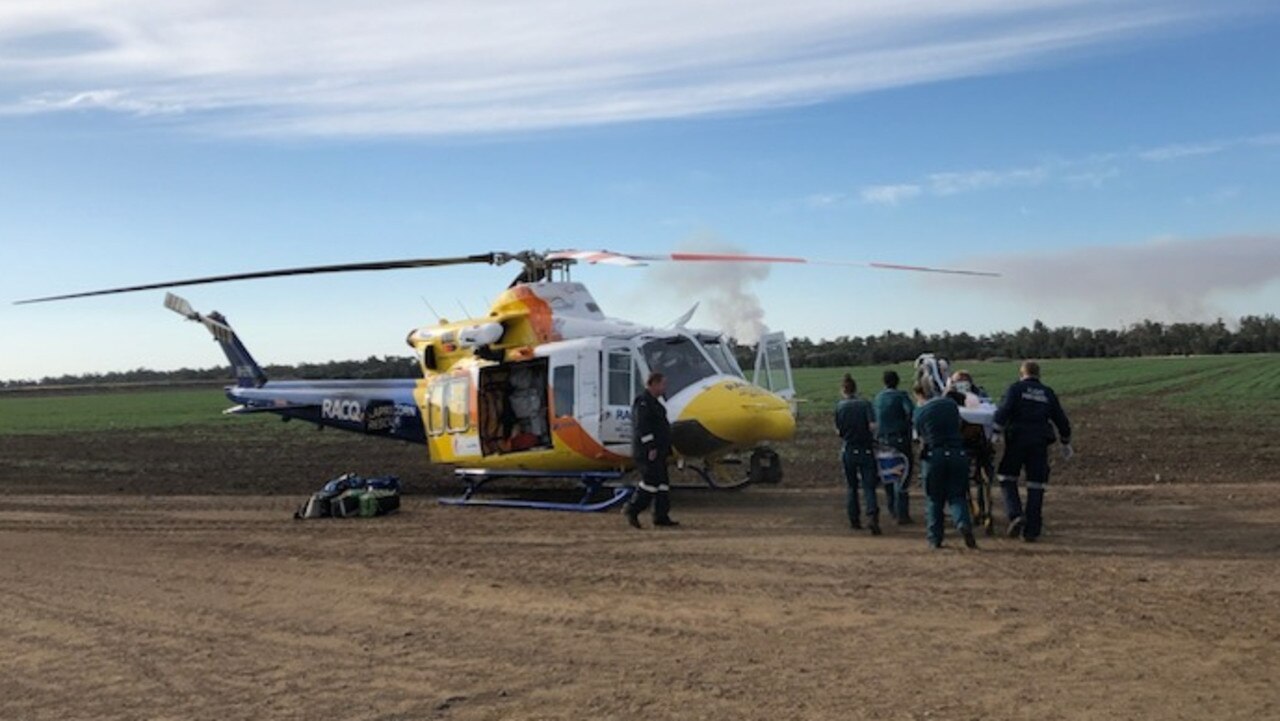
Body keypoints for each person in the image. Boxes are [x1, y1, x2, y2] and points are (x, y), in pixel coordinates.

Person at [993, 361, 1072, 542]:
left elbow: (1004, 410)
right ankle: (1032, 530)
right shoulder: (1048, 392)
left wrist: (996, 431)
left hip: (1017, 440)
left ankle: (1015, 514)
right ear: (1038, 375)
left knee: (1006, 476)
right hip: (1039, 442)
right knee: (1036, 484)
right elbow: (1060, 418)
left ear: (1022, 374)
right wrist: (1065, 441)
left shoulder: (1015, 389)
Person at [912, 383, 978, 550]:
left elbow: (919, 436)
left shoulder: (919, 412)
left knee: (934, 498)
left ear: (920, 395)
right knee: (957, 495)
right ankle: (963, 522)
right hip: (957, 453)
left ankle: (935, 538)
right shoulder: (950, 405)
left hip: (935, 456)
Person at [624, 372, 678, 529]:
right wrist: (651, 447)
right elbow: (642, 427)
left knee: (662, 484)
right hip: (648, 452)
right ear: (653, 384)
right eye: (663, 384)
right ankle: (632, 509)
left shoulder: (655, 403)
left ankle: (661, 516)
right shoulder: (643, 402)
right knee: (650, 483)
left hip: (659, 451)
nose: (665, 387)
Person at [835, 374, 881, 534]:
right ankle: (872, 516)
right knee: (869, 486)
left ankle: (854, 519)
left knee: (851, 487)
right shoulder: (865, 404)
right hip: (865, 449)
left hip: (848, 448)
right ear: (856, 389)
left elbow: (838, 431)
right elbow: (873, 426)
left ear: (843, 390)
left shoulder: (840, 407)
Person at [874, 370, 915, 524]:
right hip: (900, 440)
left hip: (883, 441)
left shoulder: (878, 397)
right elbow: (911, 411)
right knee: (902, 476)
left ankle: (892, 509)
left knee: (888, 475)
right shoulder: (901, 396)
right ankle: (902, 513)